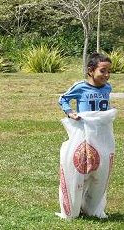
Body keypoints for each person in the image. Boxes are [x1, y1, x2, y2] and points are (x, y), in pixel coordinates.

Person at [57, 52, 113, 219]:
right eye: (103, 71)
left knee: (100, 169)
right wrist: (70, 113)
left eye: (109, 71)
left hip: (101, 135)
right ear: (90, 70)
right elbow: (63, 99)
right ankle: (72, 207)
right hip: (83, 133)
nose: (107, 75)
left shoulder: (107, 88)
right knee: (80, 167)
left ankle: (92, 206)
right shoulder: (80, 87)